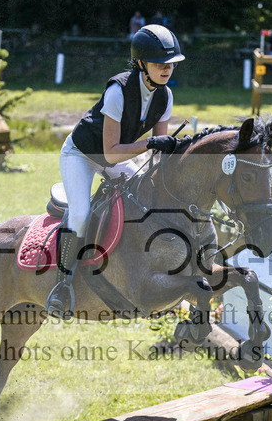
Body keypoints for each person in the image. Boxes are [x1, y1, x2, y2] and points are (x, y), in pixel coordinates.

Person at [45, 24, 183, 318]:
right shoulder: (118, 91)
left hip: (116, 156)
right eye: (160, 63)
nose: (166, 69)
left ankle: (145, 272)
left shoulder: (165, 96)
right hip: (82, 155)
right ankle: (61, 284)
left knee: (145, 203)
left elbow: (156, 155)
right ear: (141, 63)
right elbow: (110, 152)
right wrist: (150, 143)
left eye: (170, 64)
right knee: (80, 213)